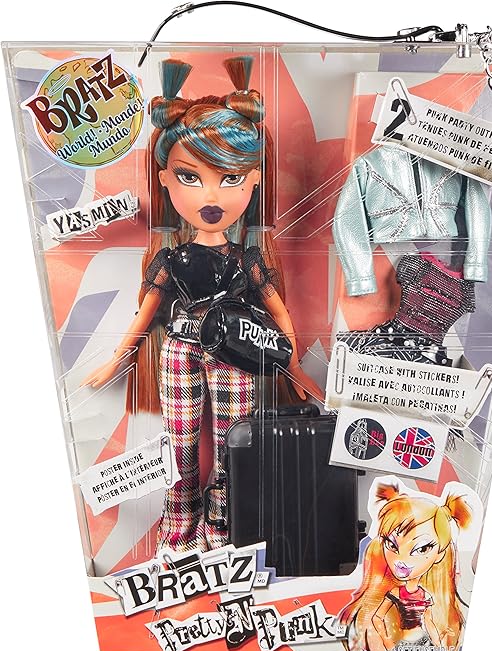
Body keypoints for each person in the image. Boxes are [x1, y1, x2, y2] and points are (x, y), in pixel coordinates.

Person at [84, 56, 321, 553]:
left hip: (237, 351)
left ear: (253, 180)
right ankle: (181, 514)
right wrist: (116, 360)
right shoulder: (171, 259)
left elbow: (279, 314)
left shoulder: (248, 259)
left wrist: (294, 367)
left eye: (230, 178)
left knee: (234, 442)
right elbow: (145, 314)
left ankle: (223, 517)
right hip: (180, 349)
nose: (211, 195)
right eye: (190, 177)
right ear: (165, 181)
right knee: (182, 443)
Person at [338, 477, 473, 651]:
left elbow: (429, 621)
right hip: (401, 645)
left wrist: (440, 647)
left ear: (439, 554)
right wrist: (387, 644)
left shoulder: (426, 594)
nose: (402, 560)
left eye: (422, 549)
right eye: (392, 545)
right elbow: (377, 617)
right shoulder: (395, 592)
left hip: (423, 646)